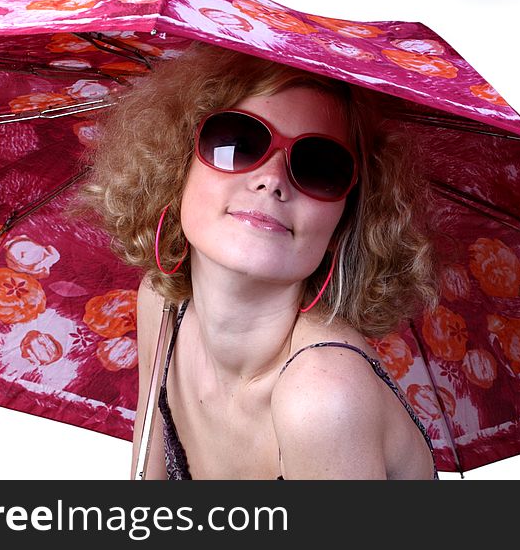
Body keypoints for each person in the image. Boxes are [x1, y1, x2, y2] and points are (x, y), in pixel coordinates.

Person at [75, 40, 441, 480]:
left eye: (318, 167)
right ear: (176, 169)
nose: (271, 180)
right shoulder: (162, 305)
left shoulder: (321, 397)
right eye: (238, 141)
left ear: (342, 226)